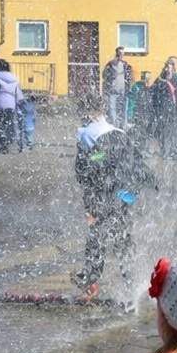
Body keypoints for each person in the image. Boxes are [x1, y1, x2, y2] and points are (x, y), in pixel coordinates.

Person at [73, 105, 154, 298]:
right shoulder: (118, 130)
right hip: (126, 192)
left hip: (112, 190)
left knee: (98, 232)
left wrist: (89, 205)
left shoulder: (84, 132)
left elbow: (83, 171)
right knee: (121, 231)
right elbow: (136, 164)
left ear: (86, 115)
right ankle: (132, 282)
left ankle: (91, 278)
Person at [149, 57, 177, 159]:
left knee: (174, 129)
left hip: (173, 108)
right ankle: (164, 150)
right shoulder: (161, 80)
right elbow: (153, 92)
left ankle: (174, 149)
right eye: (167, 68)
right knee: (164, 130)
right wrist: (155, 107)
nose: (168, 70)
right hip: (163, 108)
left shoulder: (176, 79)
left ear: (173, 69)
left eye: (170, 68)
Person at [0, 64, 23, 153]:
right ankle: (10, 141)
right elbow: (18, 94)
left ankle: (3, 144)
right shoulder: (15, 79)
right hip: (11, 104)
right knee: (9, 123)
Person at [103, 47, 134, 128]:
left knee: (125, 108)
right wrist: (108, 87)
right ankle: (114, 125)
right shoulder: (110, 64)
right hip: (113, 90)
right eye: (120, 53)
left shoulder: (126, 65)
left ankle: (124, 125)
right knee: (112, 108)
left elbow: (129, 77)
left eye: (123, 53)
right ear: (116, 53)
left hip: (124, 91)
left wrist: (129, 85)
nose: (121, 55)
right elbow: (105, 76)